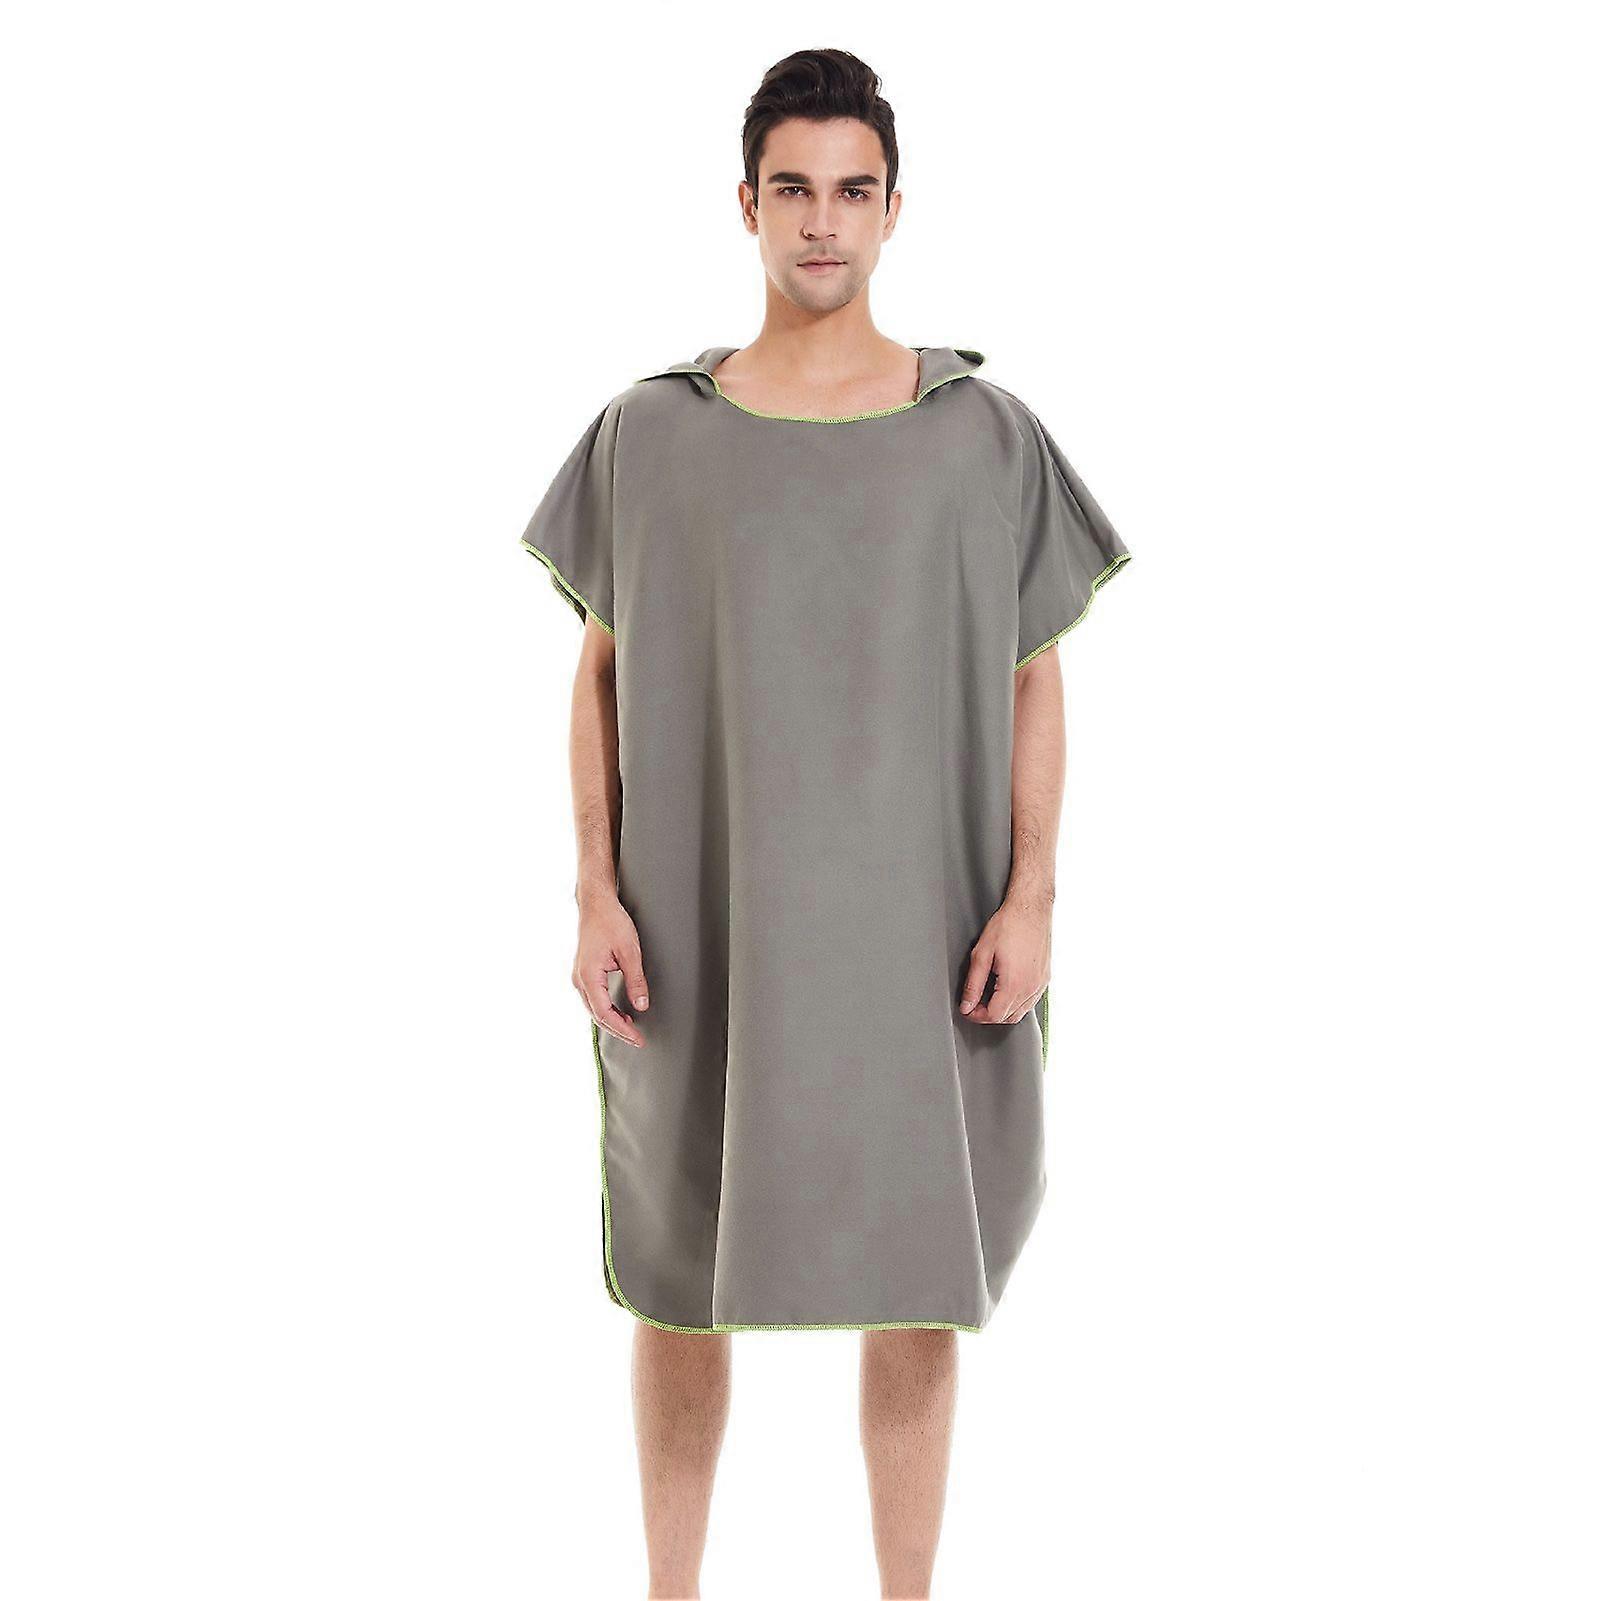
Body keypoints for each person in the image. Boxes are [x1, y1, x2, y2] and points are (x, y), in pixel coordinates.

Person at [516, 46, 1132, 1601]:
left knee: (916, 1274)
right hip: (701, 919)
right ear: (745, 204)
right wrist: (593, 889)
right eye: (791, 189)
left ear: (892, 210)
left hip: (918, 925)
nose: (820, 222)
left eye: (851, 192)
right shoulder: (650, 432)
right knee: (678, 1273)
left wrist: (1032, 896)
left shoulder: (980, 434)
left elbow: (1034, 676)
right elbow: (597, 674)